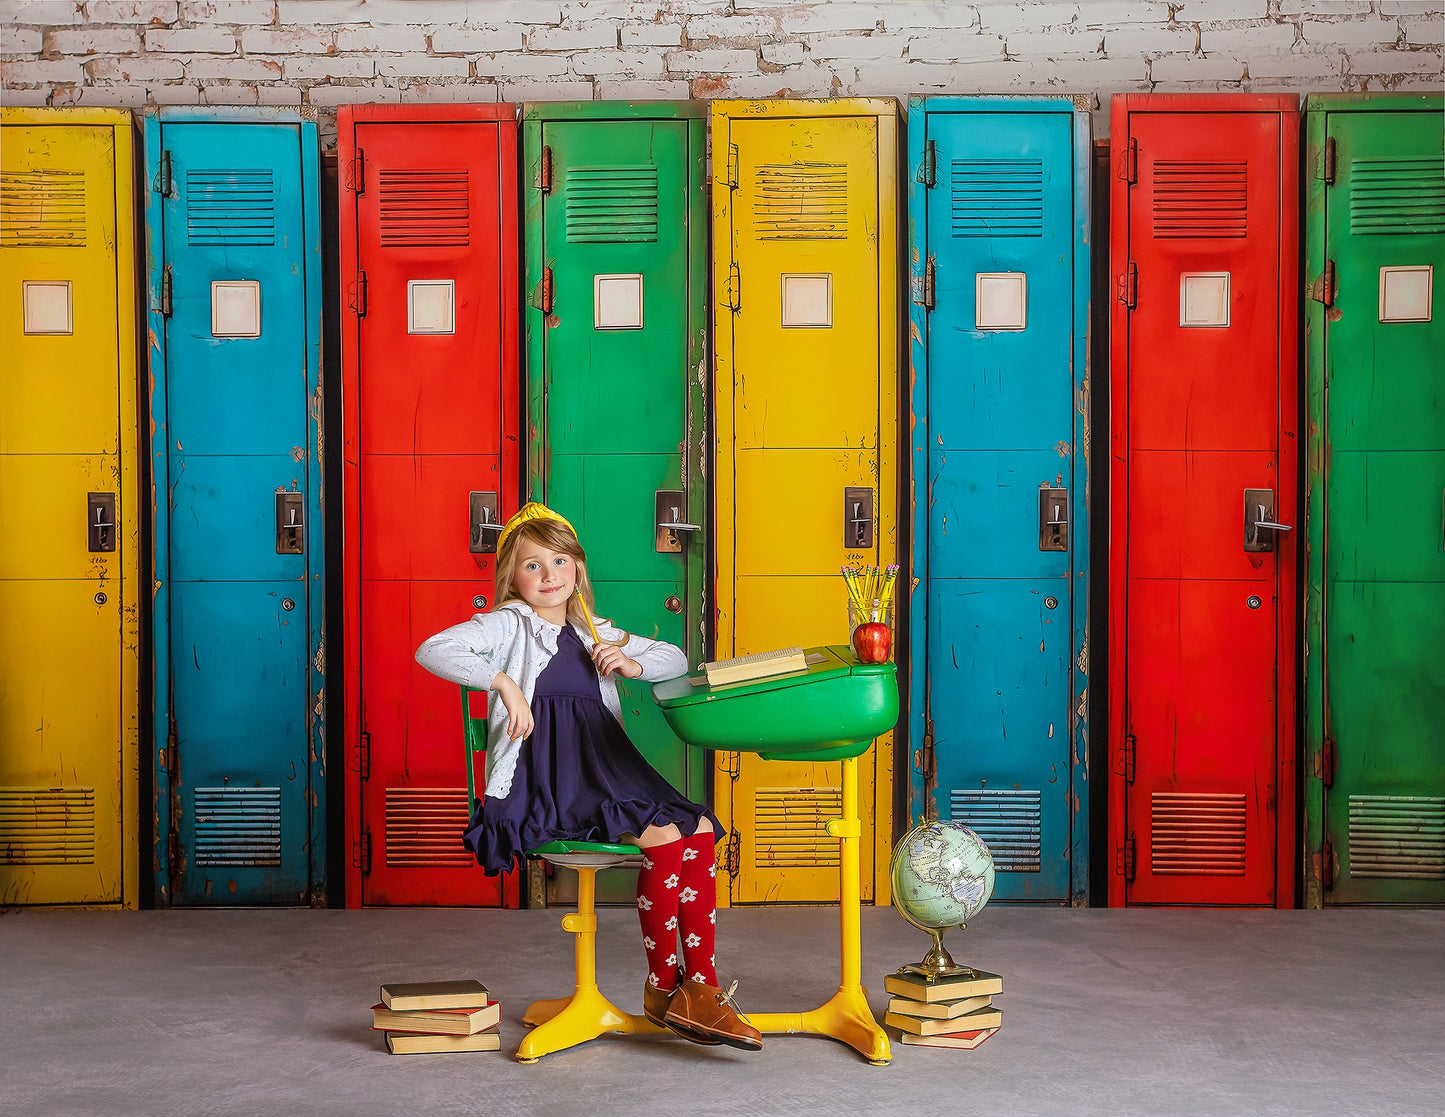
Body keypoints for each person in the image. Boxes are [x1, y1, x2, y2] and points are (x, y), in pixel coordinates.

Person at [415, 502, 761, 1052]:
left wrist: (632, 664)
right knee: (668, 839)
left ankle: (702, 988)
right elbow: (434, 648)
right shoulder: (508, 625)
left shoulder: (594, 629)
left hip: (605, 765)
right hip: (547, 776)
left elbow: (675, 657)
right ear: (513, 576)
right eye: (532, 565)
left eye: (559, 561)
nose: (548, 575)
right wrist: (503, 684)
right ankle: (662, 985)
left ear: (577, 568)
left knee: (697, 830)